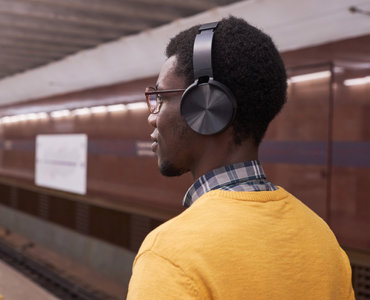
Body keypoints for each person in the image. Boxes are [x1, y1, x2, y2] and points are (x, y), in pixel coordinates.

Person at [127, 17, 354, 299]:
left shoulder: (170, 256)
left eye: (160, 97)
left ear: (205, 106)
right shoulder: (323, 241)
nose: (152, 116)